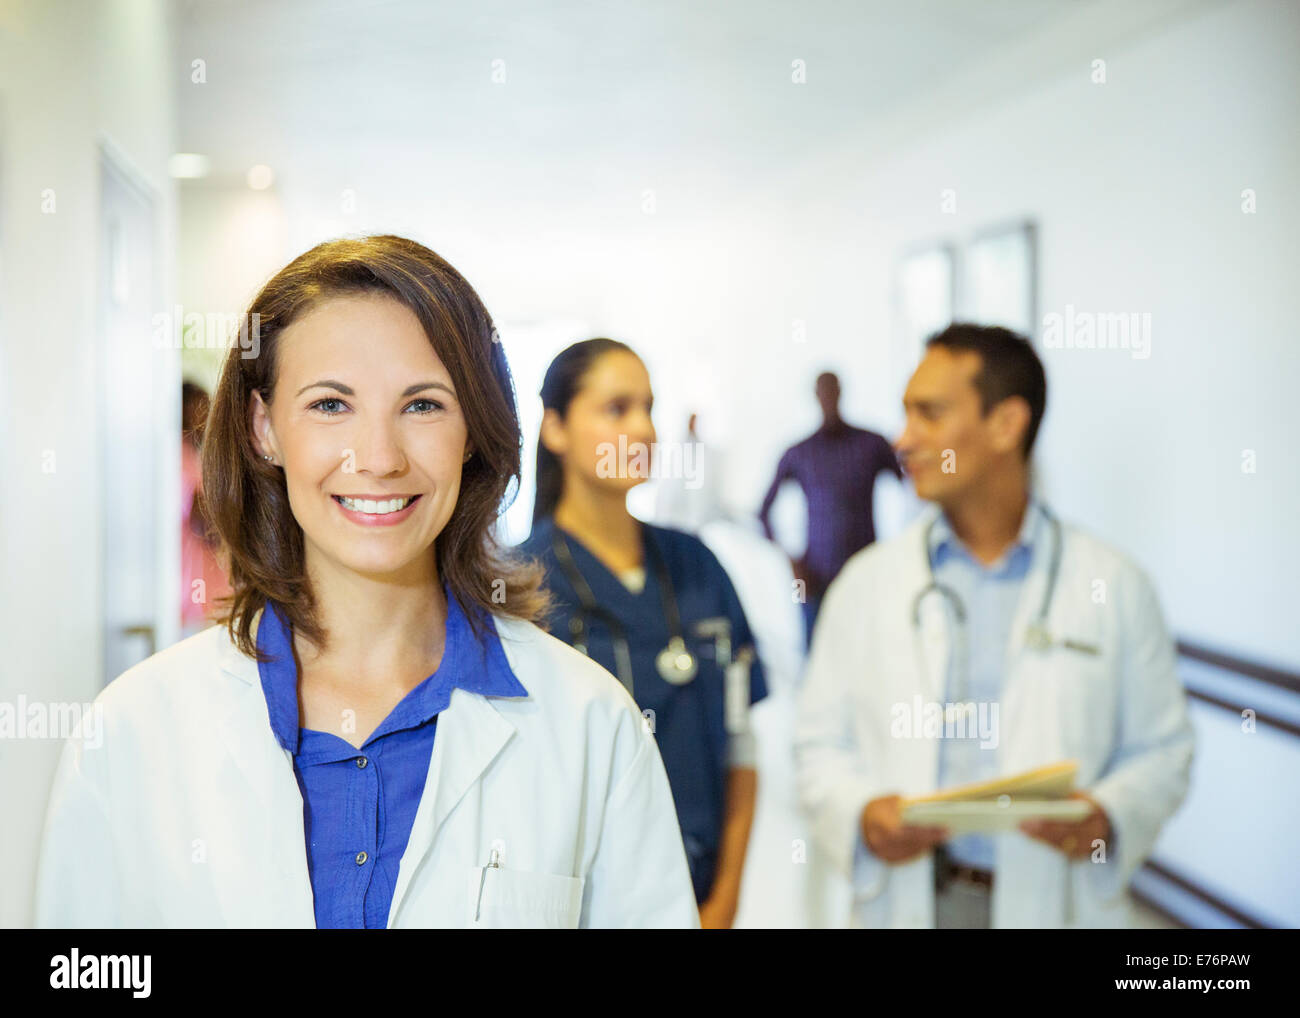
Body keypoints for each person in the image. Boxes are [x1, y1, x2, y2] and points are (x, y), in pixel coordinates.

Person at [35, 235, 698, 929]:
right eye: (330, 405)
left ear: (472, 428)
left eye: (422, 406)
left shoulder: (591, 724)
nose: (378, 458)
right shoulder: (134, 730)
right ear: (264, 428)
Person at [794, 324, 1193, 928]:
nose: (904, 440)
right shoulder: (867, 583)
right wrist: (860, 810)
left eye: (929, 414)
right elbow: (817, 743)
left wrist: (1108, 815)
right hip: (914, 898)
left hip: (1053, 901)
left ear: (1007, 424)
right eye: (905, 415)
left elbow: (1164, 750)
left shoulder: (1113, 584)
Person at [520, 339, 768, 927]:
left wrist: (727, 896)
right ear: (554, 428)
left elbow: (741, 746)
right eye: (617, 408)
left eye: (649, 407)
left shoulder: (698, 567)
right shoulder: (519, 587)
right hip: (580, 903)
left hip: (704, 895)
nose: (644, 429)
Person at [758, 371, 902, 647]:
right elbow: (763, 511)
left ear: (841, 392)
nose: (828, 397)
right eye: (823, 391)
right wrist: (793, 563)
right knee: (817, 657)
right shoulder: (801, 452)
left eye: (832, 390)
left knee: (869, 652)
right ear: (815, 396)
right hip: (816, 574)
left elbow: (912, 489)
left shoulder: (871, 445)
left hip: (866, 569)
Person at [180, 381, 231, 638]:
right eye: (201, 406)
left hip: (198, 601)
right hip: (197, 603)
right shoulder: (186, 459)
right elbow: (206, 524)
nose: (208, 414)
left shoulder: (193, 458)